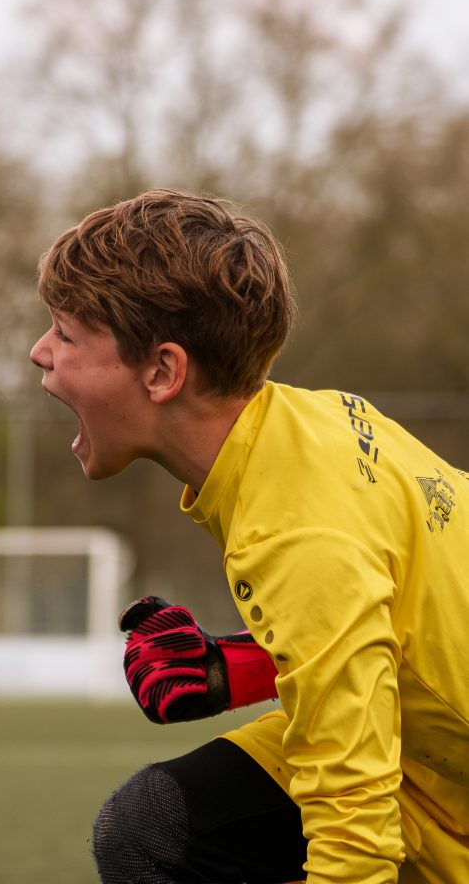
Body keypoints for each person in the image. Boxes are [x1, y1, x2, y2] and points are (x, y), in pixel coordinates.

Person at [29, 188, 469, 884]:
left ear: (163, 372)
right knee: (154, 829)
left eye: (66, 334)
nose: (39, 352)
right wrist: (252, 664)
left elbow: (353, 832)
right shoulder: (319, 420)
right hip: (428, 756)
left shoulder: (295, 528)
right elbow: (414, 606)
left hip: (443, 791)